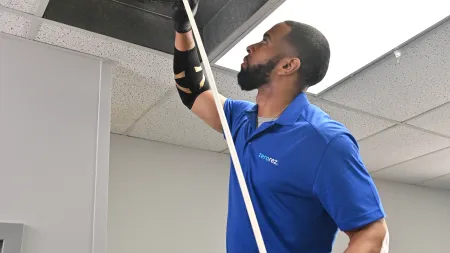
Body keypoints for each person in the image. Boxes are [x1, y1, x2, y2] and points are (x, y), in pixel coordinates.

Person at [171, 0, 389, 252]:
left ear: (288, 65)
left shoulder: (324, 141)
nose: (250, 46)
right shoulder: (240, 119)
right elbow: (192, 91)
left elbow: (372, 232)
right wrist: (183, 26)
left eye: (265, 41)